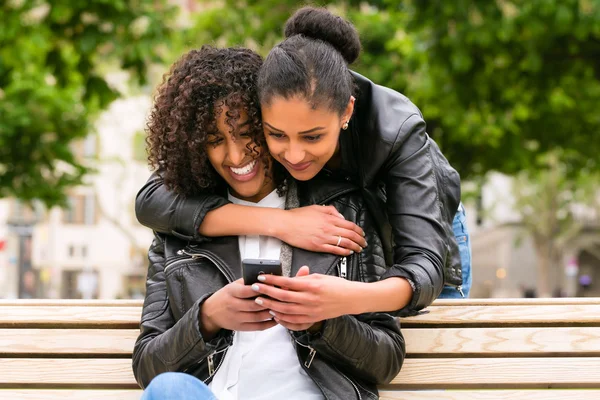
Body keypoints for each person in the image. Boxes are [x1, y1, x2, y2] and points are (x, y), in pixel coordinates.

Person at [135, 7, 471, 317]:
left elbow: (424, 265)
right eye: (276, 135)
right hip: (339, 254)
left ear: (347, 112)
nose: (293, 155)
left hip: (422, 232)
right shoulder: (270, 96)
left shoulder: (396, 130)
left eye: (312, 137)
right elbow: (152, 201)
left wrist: (349, 297)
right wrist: (281, 223)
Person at [133, 45, 405, 400]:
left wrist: (321, 321)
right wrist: (208, 318)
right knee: (169, 390)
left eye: (247, 133)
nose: (235, 155)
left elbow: (385, 360)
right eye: (215, 141)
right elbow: (147, 367)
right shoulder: (177, 232)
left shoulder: (343, 212)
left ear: (269, 125)